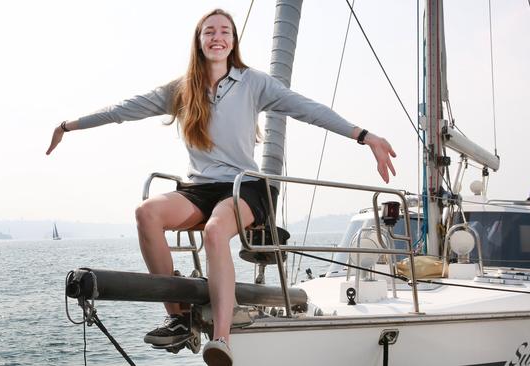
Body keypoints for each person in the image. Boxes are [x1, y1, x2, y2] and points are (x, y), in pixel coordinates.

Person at [45, 9, 396, 366]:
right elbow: (124, 110)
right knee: (146, 212)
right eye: (209, 31)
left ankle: (222, 339)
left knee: (215, 231)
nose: (217, 36)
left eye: (224, 31)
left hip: (247, 187)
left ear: (233, 41)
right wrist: (68, 126)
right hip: (200, 188)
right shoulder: (181, 89)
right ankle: (179, 317)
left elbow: (308, 109)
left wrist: (364, 136)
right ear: (198, 42)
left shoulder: (253, 83)